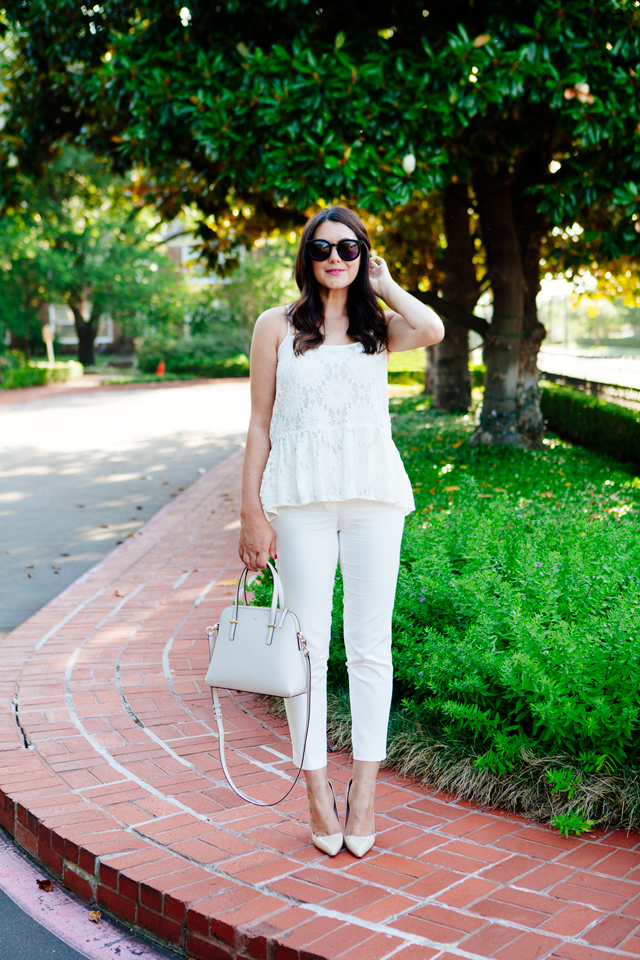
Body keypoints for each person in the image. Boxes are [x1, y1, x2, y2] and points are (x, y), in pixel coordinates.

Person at [238, 206, 444, 857]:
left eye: (349, 247)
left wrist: (382, 283)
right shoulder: (276, 325)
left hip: (373, 501)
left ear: (362, 254)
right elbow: (260, 424)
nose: (335, 256)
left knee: (369, 647)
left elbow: (433, 327)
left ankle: (366, 792)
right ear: (307, 254)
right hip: (298, 502)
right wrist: (252, 511)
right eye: (324, 246)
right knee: (305, 649)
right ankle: (315, 790)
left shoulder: (378, 326)